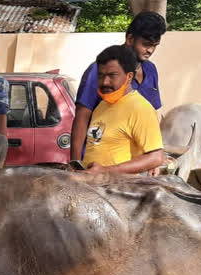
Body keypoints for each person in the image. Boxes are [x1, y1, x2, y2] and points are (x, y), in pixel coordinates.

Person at [50, 45, 165, 275]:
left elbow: (156, 157)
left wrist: (107, 172)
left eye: (112, 75)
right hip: (94, 196)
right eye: (101, 75)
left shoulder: (140, 109)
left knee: (111, 260)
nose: (105, 82)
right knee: (84, 255)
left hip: (122, 200)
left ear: (128, 76)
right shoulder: (102, 106)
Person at [70, 11, 166, 162]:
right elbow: (82, 118)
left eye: (155, 46)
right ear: (130, 39)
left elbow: (152, 115)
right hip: (97, 164)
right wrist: (75, 165)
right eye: (146, 44)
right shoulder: (100, 71)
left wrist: (154, 154)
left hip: (136, 167)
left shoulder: (150, 70)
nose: (150, 50)